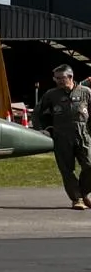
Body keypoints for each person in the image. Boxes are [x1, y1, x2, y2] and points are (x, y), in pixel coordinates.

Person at [33, 64, 91, 209]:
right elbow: (37, 113)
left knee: (89, 165)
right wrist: (43, 130)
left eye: (61, 78)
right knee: (66, 169)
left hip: (83, 135)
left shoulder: (86, 92)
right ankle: (77, 199)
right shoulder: (51, 95)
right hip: (62, 136)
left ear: (70, 77)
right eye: (56, 78)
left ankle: (84, 193)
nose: (58, 81)